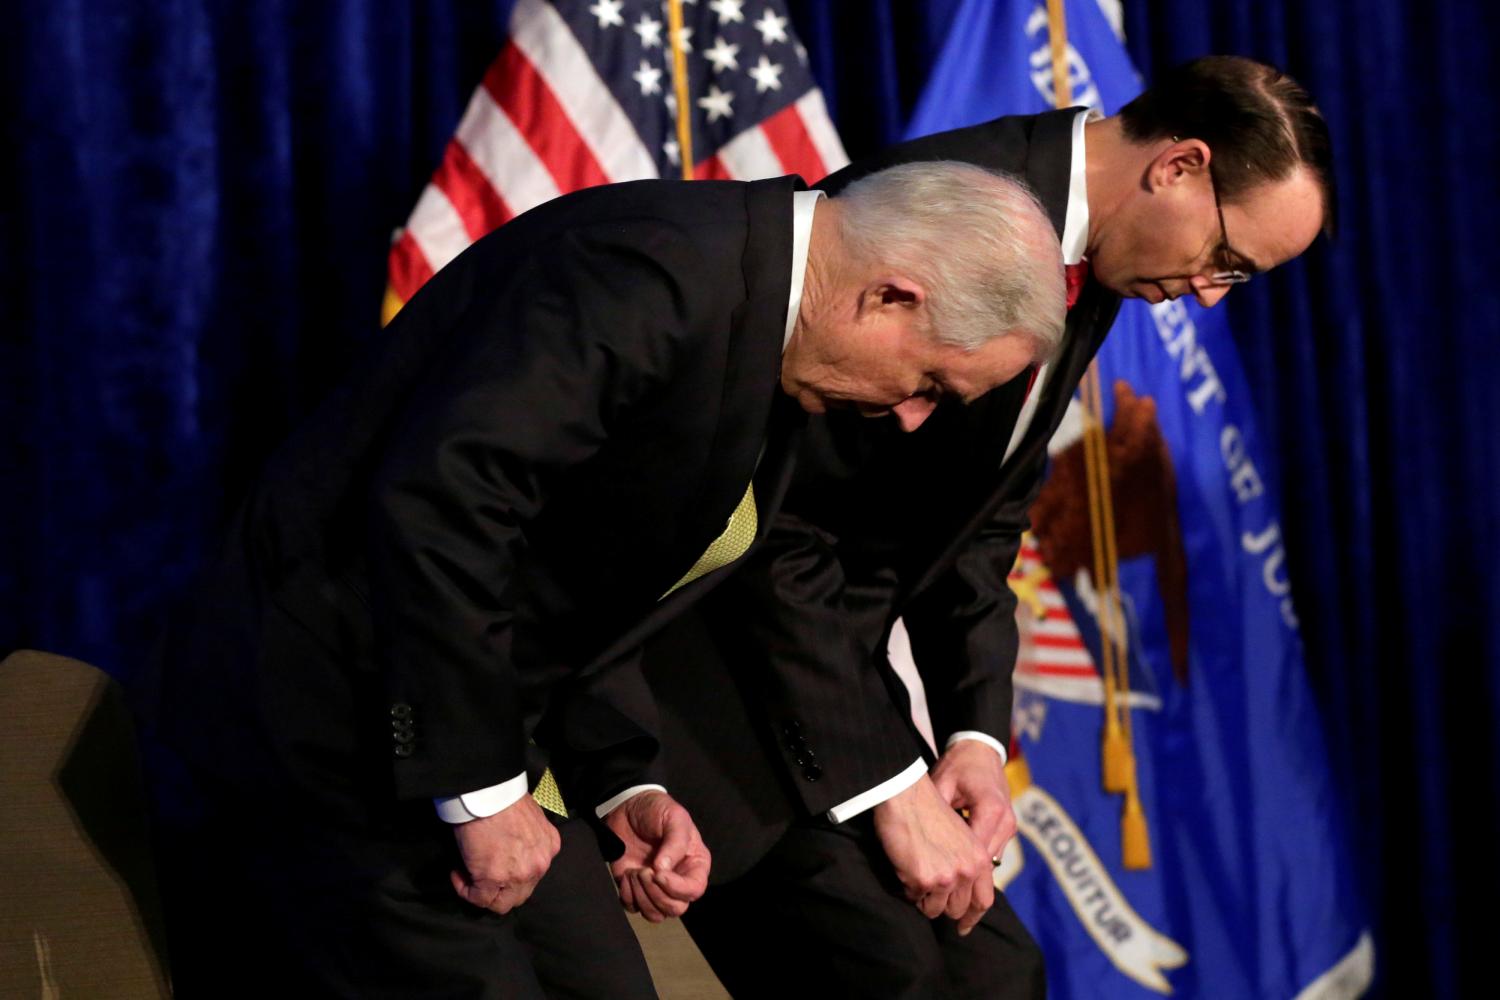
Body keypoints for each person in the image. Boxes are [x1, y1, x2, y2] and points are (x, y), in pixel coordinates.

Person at [134, 160, 1065, 996]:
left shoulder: (759, 322)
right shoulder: (652, 275)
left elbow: (587, 578)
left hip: (490, 733)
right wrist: (484, 794)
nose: (911, 419)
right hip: (336, 721)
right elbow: (442, 512)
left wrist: (625, 784)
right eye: (929, 385)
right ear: (889, 297)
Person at [631, 55, 1336, 998]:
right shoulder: (952, 212)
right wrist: (884, 786)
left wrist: (971, 737)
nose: (1213, 292)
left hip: (825, 673)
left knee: (1001, 975)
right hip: (703, 674)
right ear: (1180, 168)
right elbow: (769, 524)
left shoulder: (1095, 252)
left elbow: (983, 514)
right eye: (1228, 259)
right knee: (895, 977)